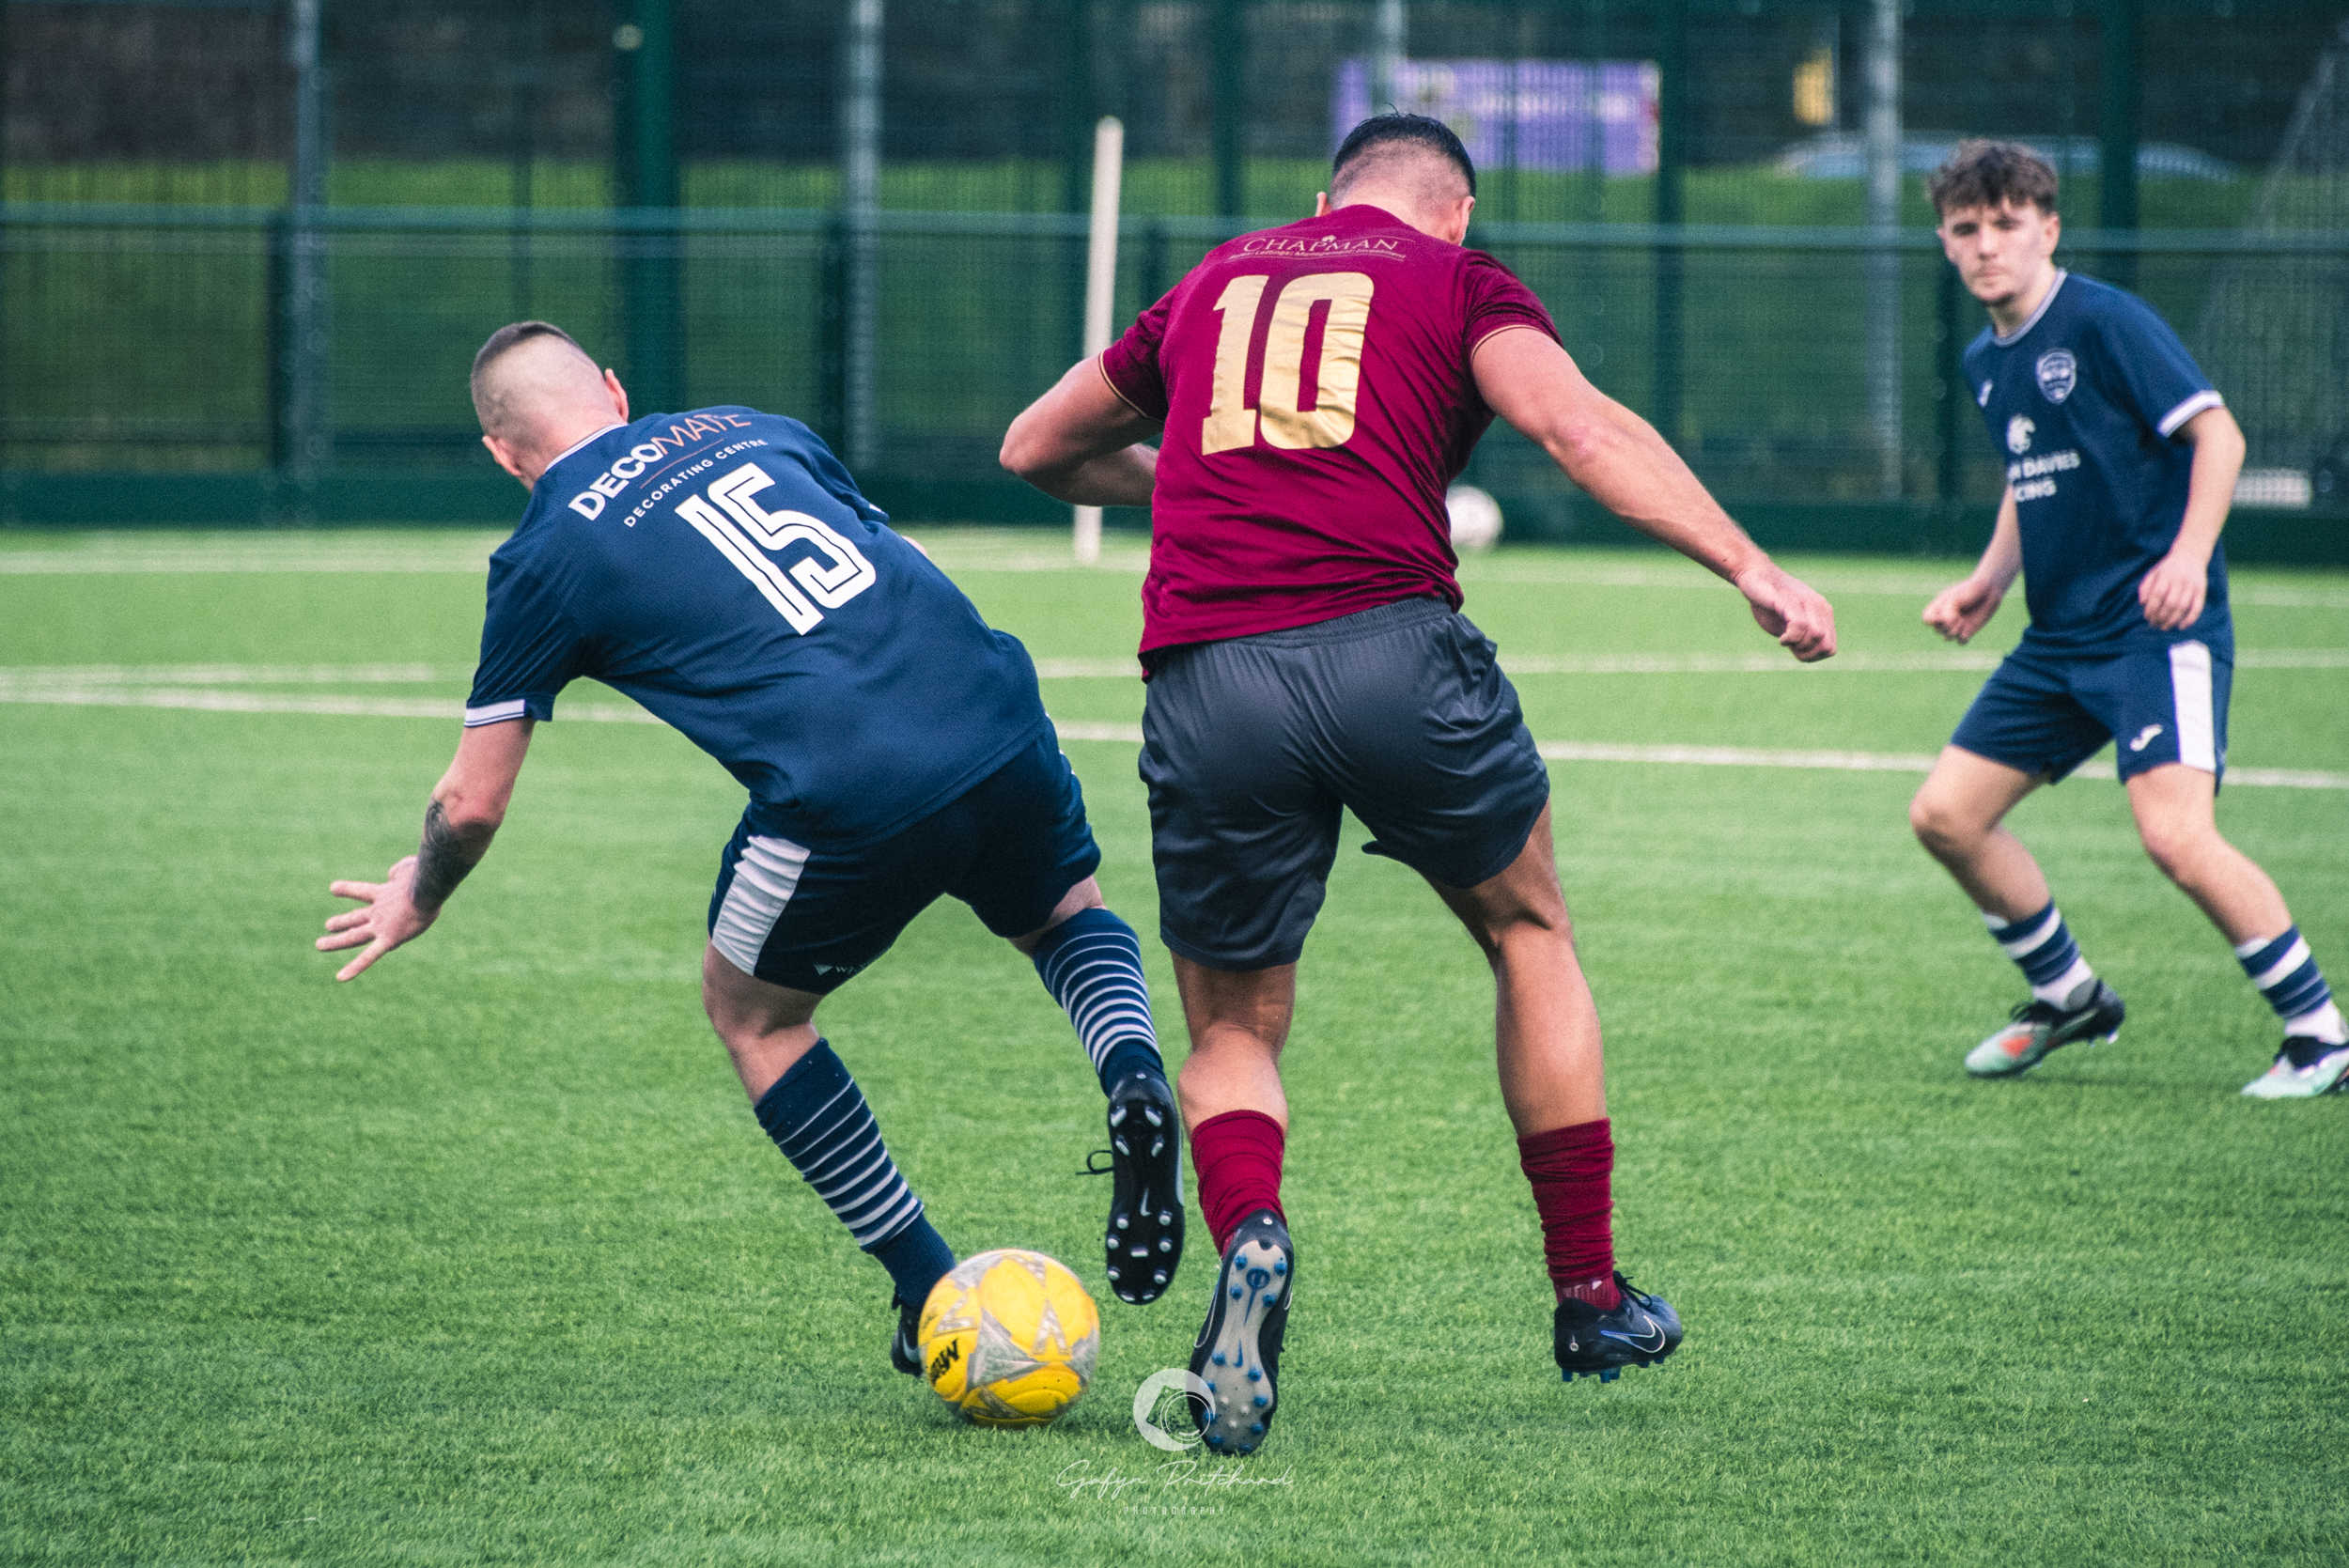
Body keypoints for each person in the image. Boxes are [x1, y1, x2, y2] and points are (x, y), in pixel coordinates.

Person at [1001, 114, 1838, 1453]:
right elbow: (1574, 426)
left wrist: (1194, 483)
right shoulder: (1459, 279)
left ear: (1324, 195)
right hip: (1395, 655)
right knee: (1528, 928)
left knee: (1234, 1027)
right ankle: (1590, 1298)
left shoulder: (1215, 279)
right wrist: (1751, 567)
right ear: (1456, 210)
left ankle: (1255, 1230)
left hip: (1213, 679)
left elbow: (1035, 448)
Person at [317, 322, 1189, 1378]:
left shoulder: (543, 553)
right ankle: (1134, 1074)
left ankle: (926, 1285)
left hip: (848, 781)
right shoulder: (751, 427)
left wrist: (420, 894)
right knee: (1065, 916)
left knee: (753, 1016)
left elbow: (471, 805)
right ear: (614, 390)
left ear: (504, 456)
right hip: (989, 701)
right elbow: (897, 560)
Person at [1908, 140, 2344, 1099]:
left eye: (2007, 224)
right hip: (2058, 639)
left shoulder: (2105, 321)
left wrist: (2186, 557)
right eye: (1966, 229)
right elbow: (2030, 473)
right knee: (1945, 816)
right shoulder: (1986, 360)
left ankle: (2321, 1035)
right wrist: (1988, 581)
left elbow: (2217, 434)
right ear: (1944, 242)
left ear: (2048, 229)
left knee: (2175, 836)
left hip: (2154, 629)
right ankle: (2068, 996)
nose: (1987, 245)